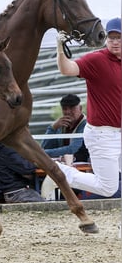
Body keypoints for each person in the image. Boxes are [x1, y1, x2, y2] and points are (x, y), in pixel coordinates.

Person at [43, 18, 121, 199]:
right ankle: (59, 171)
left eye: (119, 37)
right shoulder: (97, 60)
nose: (115, 41)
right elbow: (67, 69)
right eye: (112, 37)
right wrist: (60, 49)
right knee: (108, 188)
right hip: (103, 135)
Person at [41, 94, 89, 162]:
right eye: (64, 109)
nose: (68, 112)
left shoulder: (86, 125)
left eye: (72, 108)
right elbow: (45, 147)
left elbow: (72, 149)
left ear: (80, 108)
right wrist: (52, 128)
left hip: (83, 166)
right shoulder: (61, 125)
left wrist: (42, 152)